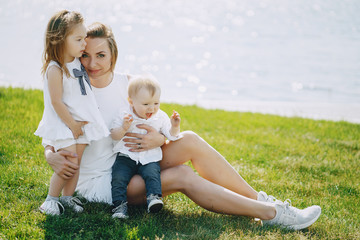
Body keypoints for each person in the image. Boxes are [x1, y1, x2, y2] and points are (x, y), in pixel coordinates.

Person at [44, 22, 321, 230]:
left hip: (138, 155)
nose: (93, 64)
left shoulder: (128, 83)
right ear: (77, 54)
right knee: (181, 175)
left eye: (100, 55)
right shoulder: (74, 86)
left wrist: (159, 140)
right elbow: (50, 125)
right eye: (86, 56)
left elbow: (152, 116)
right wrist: (50, 154)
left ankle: (261, 201)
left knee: (188, 139)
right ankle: (271, 215)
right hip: (108, 179)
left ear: (113, 53)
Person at [35, 11, 109, 216]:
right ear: (59, 40)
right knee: (68, 161)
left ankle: (67, 197)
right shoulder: (55, 69)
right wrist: (72, 125)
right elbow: (56, 101)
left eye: (84, 38)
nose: (84, 43)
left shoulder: (77, 62)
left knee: (77, 163)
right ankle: (51, 199)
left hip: (81, 123)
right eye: (78, 39)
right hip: (65, 124)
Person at [110, 75, 181, 218]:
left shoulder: (160, 117)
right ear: (131, 101)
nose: (152, 108)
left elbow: (171, 135)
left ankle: (154, 198)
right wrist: (124, 128)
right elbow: (114, 135)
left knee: (152, 174)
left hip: (150, 156)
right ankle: (119, 206)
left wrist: (174, 126)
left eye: (156, 103)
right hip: (126, 155)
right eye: (146, 104)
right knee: (119, 177)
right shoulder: (124, 114)